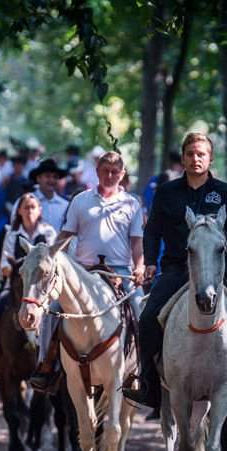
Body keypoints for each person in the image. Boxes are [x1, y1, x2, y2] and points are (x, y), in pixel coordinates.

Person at [122, 132, 227, 408]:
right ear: (184, 158)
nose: (195, 159)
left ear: (210, 158)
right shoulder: (166, 193)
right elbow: (152, 231)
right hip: (176, 267)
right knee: (149, 317)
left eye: (201, 154)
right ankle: (147, 385)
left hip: (218, 267)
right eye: (190, 154)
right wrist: (150, 261)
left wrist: (218, 245)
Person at [29, 151, 145, 391]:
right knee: (53, 310)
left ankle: (142, 371)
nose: (110, 176)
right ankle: (46, 364)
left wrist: (140, 265)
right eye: (105, 171)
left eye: (115, 172)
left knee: (139, 308)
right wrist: (50, 255)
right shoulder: (81, 200)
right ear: (97, 172)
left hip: (120, 271)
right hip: (84, 271)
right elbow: (66, 234)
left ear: (122, 174)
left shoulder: (132, 203)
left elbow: (136, 241)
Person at [0, 193, 57, 386]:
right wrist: (23, 266)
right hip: (14, 286)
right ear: (19, 211)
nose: (30, 211)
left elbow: (54, 261)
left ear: (39, 210)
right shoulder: (12, 233)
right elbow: (4, 266)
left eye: (33, 207)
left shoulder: (49, 232)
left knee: (62, 319)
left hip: (42, 290)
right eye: (26, 207)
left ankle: (60, 369)